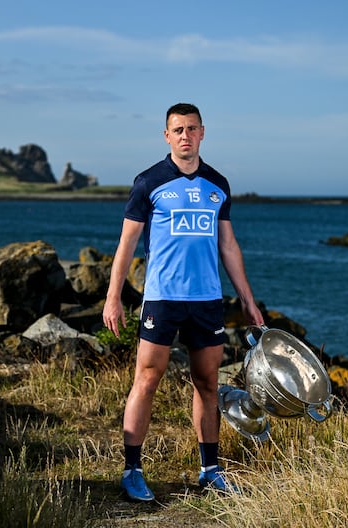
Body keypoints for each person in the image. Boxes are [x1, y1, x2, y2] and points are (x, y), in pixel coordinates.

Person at [103, 102, 264, 501]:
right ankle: (132, 470)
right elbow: (125, 245)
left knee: (208, 383)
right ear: (166, 136)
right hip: (162, 299)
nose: (185, 136)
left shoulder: (217, 184)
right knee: (147, 379)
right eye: (178, 130)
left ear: (203, 133)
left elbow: (228, 245)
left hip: (207, 300)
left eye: (192, 129)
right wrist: (113, 298)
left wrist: (248, 300)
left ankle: (210, 469)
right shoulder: (148, 182)